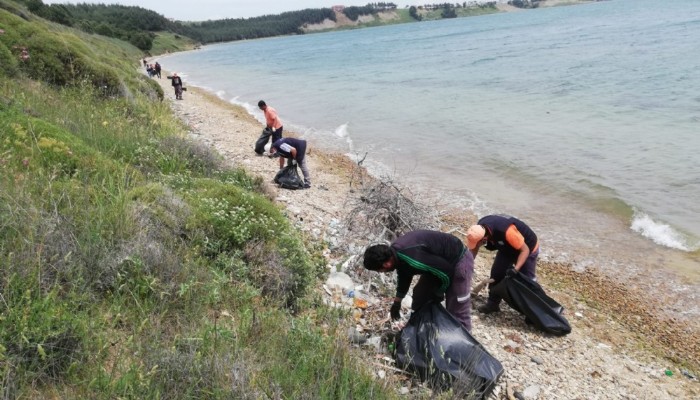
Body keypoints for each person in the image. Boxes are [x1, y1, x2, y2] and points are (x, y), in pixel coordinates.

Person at [362, 230, 474, 332]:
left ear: (386, 264)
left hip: (458, 260)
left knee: (457, 307)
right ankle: (421, 328)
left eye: (379, 270)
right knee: (420, 295)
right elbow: (404, 275)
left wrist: (439, 292)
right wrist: (397, 302)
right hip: (436, 263)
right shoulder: (396, 254)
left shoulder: (413, 257)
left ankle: (464, 344)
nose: (381, 272)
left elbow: (446, 272)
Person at [466, 214, 540, 314]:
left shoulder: (506, 231)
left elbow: (525, 250)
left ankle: (534, 311)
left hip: (528, 248)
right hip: (507, 248)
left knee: (527, 280)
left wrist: (515, 269)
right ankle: (493, 304)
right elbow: (473, 249)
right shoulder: (478, 230)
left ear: (484, 239)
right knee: (497, 273)